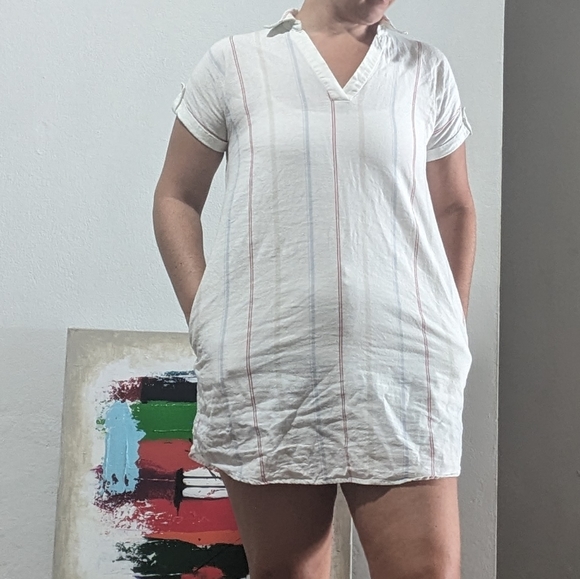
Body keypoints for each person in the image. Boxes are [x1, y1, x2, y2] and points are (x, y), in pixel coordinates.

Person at [153, 0, 477, 577]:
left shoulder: (424, 69)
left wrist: (449, 327)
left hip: (403, 372)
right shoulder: (235, 62)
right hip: (271, 369)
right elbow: (176, 196)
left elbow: (454, 206)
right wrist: (207, 320)